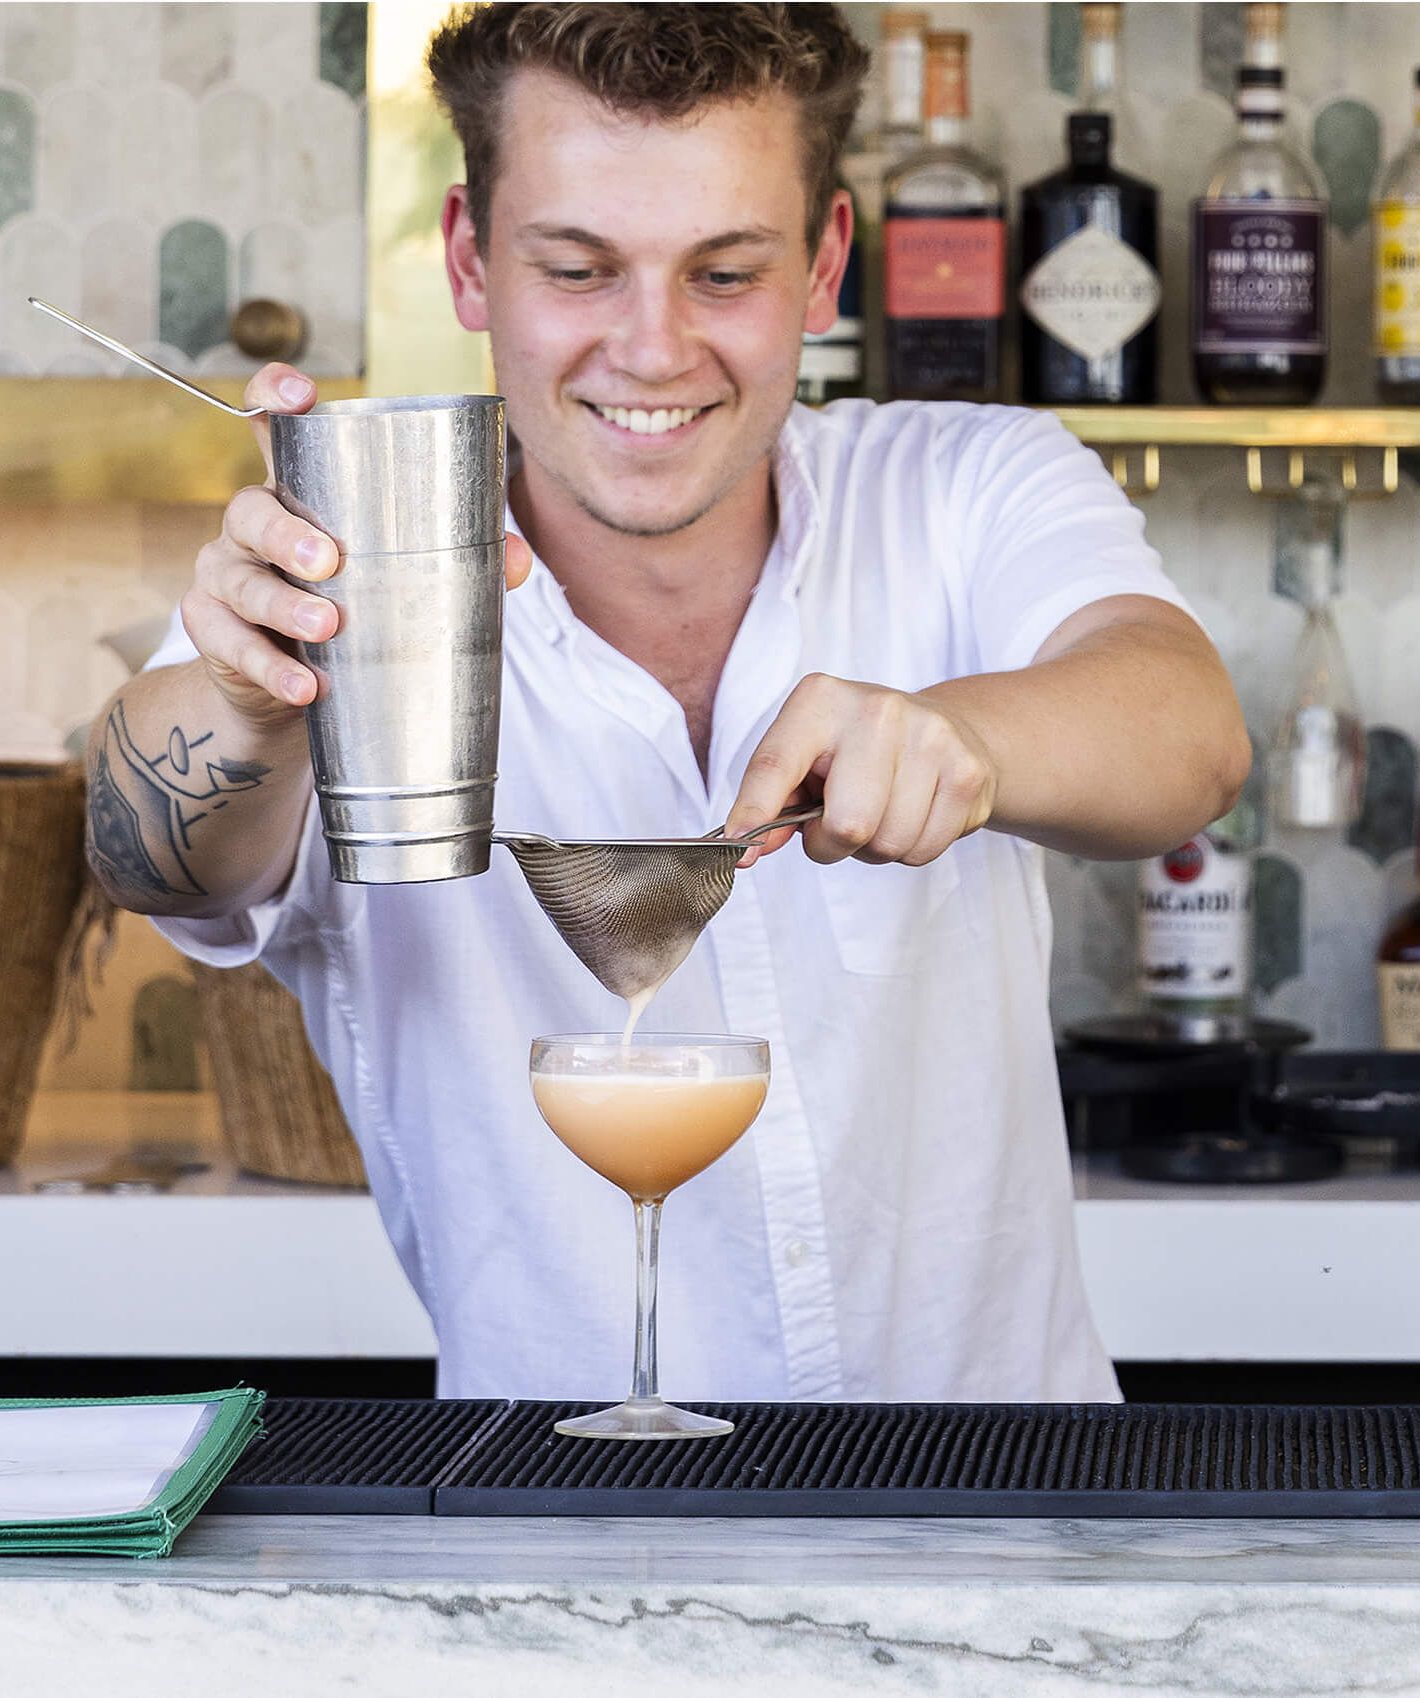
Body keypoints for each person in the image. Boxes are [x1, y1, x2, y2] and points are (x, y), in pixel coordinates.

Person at [80, 4, 1249, 1403]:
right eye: (579, 269)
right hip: (556, 1517)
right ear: (470, 260)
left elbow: (1190, 734)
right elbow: (144, 853)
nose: (652, 348)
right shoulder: (339, 574)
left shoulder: (969, 486)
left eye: (726, 272)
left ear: (824, 265)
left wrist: (971, 740)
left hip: (1005, 1509)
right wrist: (246, 696)